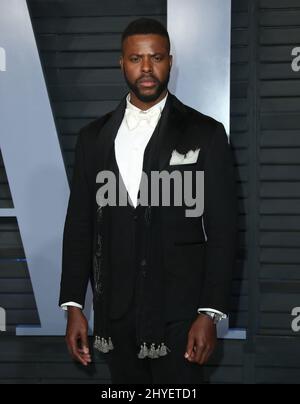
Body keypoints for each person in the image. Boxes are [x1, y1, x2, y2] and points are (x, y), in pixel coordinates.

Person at [59, 18, 238, 384]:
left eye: (155, 57)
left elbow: (224, 230)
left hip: (181, 312)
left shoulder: (205, 133)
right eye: (135, 58)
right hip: (115, 312)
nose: (146, 68)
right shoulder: (93, 137)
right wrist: (74, 305)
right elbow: (79, 223)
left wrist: (210, 313)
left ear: (169, 61)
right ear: (121, 62)